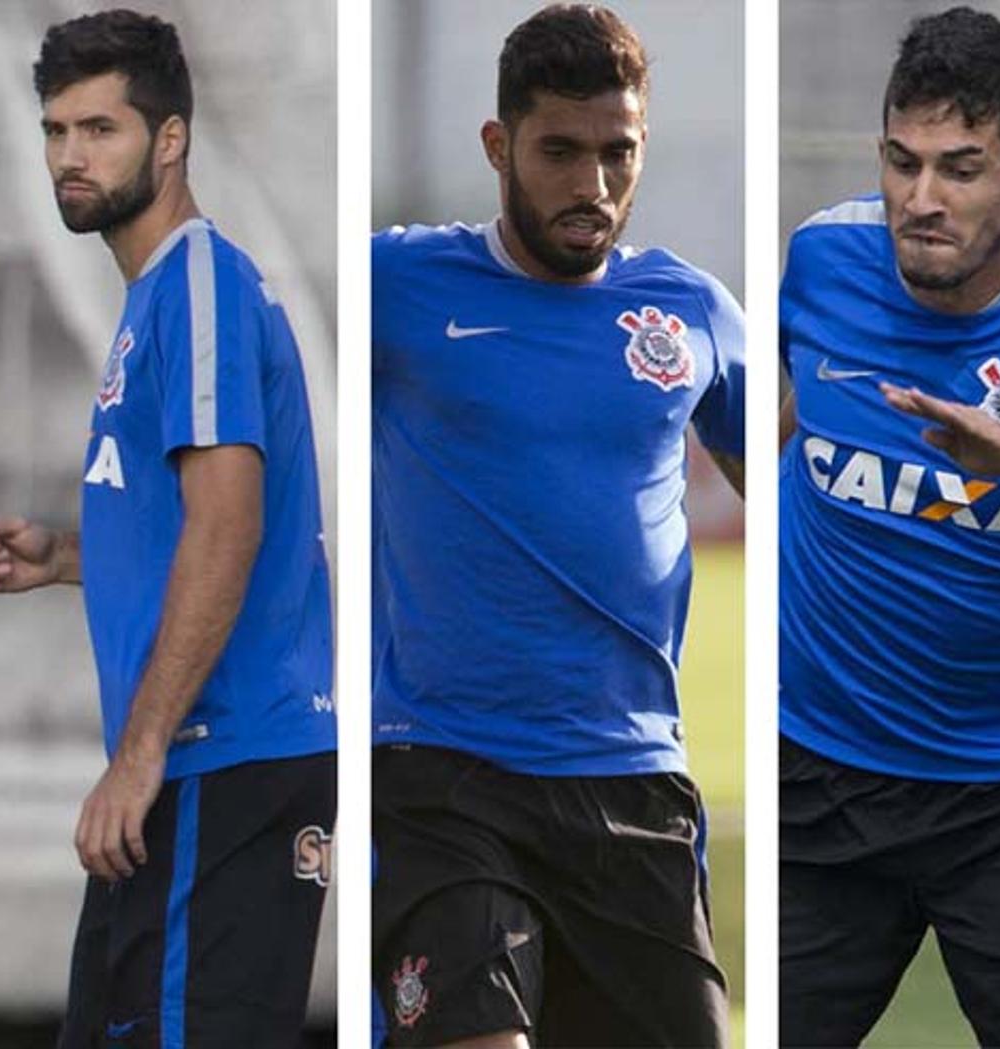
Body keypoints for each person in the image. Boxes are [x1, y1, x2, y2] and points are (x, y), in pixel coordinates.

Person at [370, 5, 744, 1045]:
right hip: (443, 773)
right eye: (560, 151)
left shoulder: (694, 310)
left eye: (617, 152)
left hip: (631, 780)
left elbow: (794, 492)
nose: (592, 185)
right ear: (499, 147)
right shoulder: (397, 286)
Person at [0, 10, 336, 1046]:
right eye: (55, 131)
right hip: (196, 764)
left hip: (226, 756)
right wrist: (72, 557)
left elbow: (229, 526)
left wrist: (137, 755)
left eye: (100, 130)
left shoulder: (202, 283)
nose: (69, 158)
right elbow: (191, 527)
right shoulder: (151, 297)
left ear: (169, 140)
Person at [778, 7, 1000, 1044]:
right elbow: (792, 410)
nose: (921, 199)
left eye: (961, 169)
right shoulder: (823, 259)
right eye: (902, 162)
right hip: (814, 780)